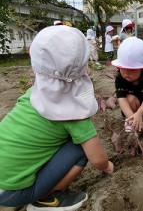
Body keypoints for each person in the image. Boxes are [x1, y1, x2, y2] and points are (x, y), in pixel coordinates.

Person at [0, 26, 114, 210]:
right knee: (80, 147)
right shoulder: (75, 113)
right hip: (12, 193)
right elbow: (97, 159)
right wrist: (107, 166)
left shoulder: (32, 94)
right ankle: (47, 197)